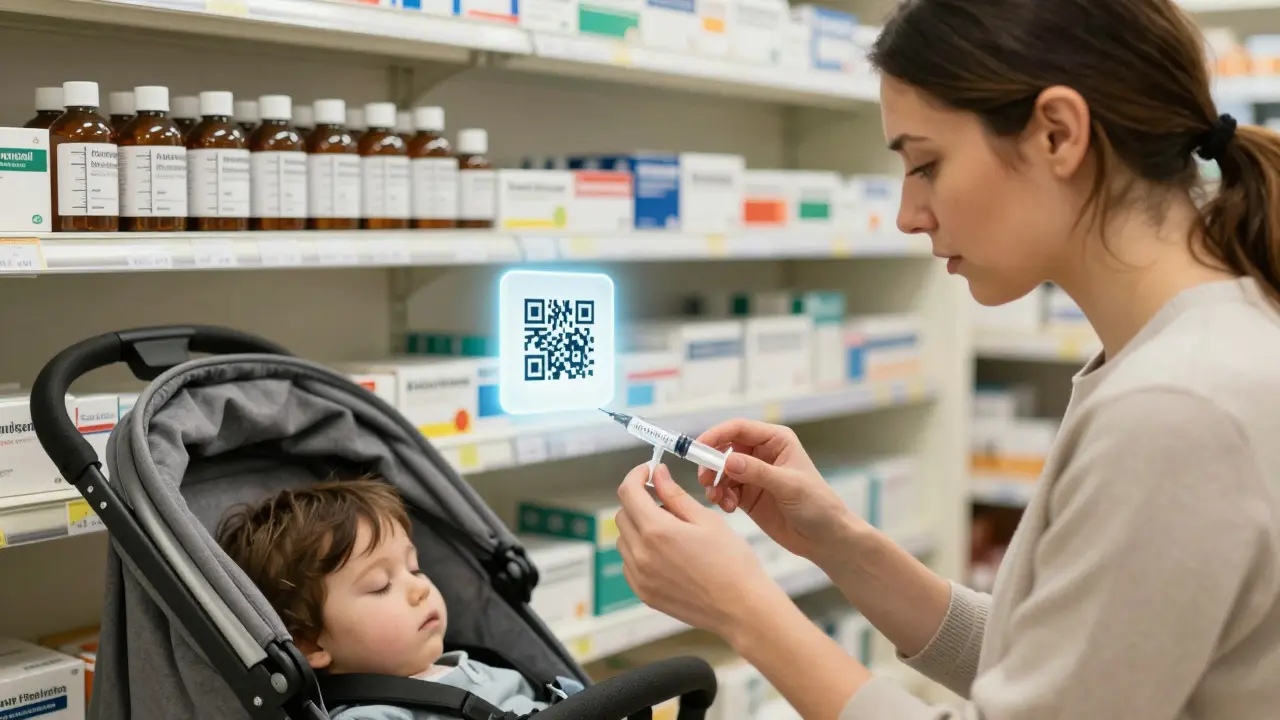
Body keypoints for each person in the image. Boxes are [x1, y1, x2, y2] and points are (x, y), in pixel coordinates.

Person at [614, 0, 1280, 717]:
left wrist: (745, 610)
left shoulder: (1178, 406)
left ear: (1058, 133)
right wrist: (844, 545)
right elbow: (1073, 664)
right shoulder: (1183, 355)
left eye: (926, 164)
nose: (909, 214)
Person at [216, 478, 548, 720]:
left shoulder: (475, 664)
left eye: (415, 569)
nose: (420, 589)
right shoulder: (372, 716)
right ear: (310, 644)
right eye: (379, 585)